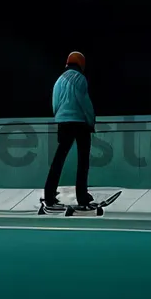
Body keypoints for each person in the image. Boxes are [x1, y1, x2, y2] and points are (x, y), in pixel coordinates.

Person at [41, 51, 96, 211]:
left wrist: (58, 116)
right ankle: (82, 196)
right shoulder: (80, 79)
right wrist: (91, 120)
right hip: (79, 121)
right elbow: (83, 101)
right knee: (83, 160)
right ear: (81, 64)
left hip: (62, 121)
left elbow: (55, 101)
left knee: (59, 158)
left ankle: (49, 194)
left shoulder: (59, 80)